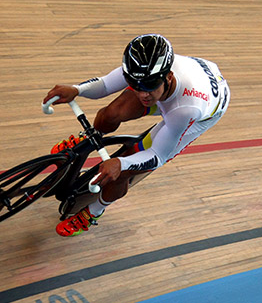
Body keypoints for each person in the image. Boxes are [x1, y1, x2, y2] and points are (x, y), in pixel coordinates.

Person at [43, 34, 230, 237]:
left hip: (200, 105)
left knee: (126, 168)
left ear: (169, 77)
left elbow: (158, 155)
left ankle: (94, 212)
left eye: (149, 86)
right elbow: (106, 85)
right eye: (135, 85)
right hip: (185, 80)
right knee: (111, 113)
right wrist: (77, 89)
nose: (143, 95)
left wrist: (121, 164)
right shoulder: (144, 71)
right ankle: (88, 138)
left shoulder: (186, 109)